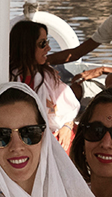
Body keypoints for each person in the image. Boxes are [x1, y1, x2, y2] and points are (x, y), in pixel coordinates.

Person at [9, 17, 82, 148]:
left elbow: (69, 107)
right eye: (43, 44)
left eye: (47, 42)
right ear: (27, 46)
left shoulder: (48, 76)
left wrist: (67, 126)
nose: (48, 48)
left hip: (48, 134)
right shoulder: (6, 78)